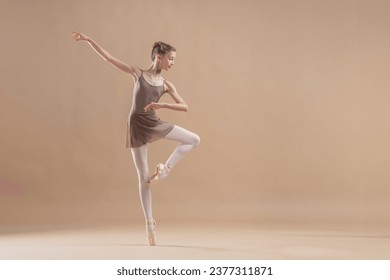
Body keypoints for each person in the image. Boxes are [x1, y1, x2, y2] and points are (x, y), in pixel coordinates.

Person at [70, 32, 200, 246]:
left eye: (174, 60)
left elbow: (184, 106)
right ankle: (149, 223)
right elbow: (109, 59)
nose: (173, 63)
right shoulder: (137, 73)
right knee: (143, 176)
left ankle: (165, 169)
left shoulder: (167, 85)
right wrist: (88, 40)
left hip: (154, 121)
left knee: (193, 139)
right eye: (170, 58)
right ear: (158, 55)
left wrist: (162, 105)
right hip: (136, 125)